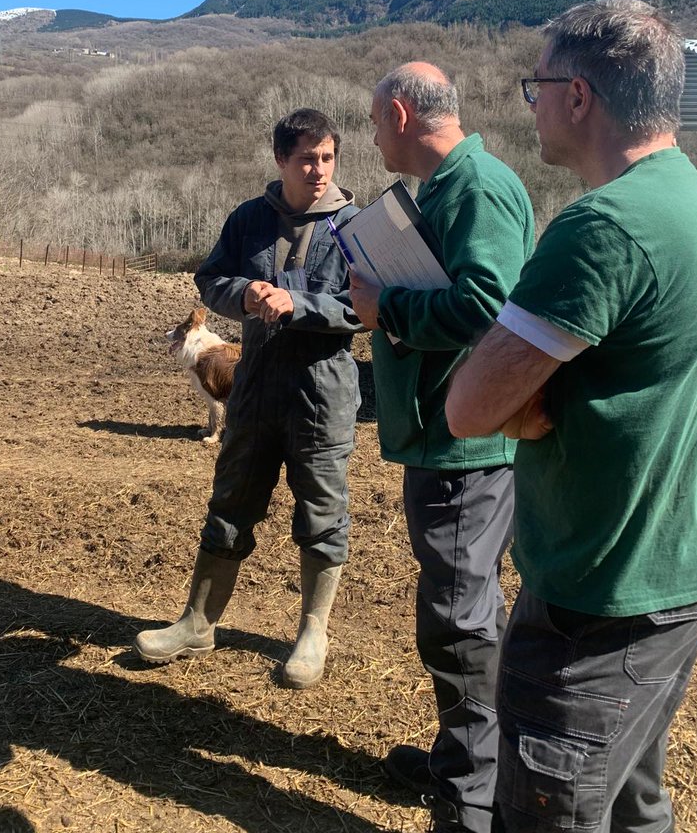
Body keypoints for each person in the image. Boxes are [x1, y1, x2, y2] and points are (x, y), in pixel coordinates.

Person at [446, 0, 697, 833]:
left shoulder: (603, 228)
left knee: (553, 812)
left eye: (537, 88)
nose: (532, 107)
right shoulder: (694, 197)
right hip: (672, 572)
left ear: (579, 95)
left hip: (596, 600)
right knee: (634, 799)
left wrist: (525, 408)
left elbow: (468, 407)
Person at [349, 63, 534, 833]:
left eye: (371, 120)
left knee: (460, 619)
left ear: (398, 113)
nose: (371, 134)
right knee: (455, 609)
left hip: (467, 451)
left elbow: (488, 307)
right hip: (447, 439)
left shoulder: (478, 188)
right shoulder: (452, 187)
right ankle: (460, 758)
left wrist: (383, 304)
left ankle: (472, 800)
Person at [133, 107, 361, 688]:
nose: (318, 169)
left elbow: (368, 306)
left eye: (327, 157)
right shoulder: (248, 220)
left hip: (323, 392)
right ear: (281, 159)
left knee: (322, 513)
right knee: (231, 501)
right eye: (307, 157)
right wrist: (245, 293)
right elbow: (210, 279)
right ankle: (198, 622)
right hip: (255, 385)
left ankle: (313, 631)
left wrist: (300, 305)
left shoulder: (357, 226)